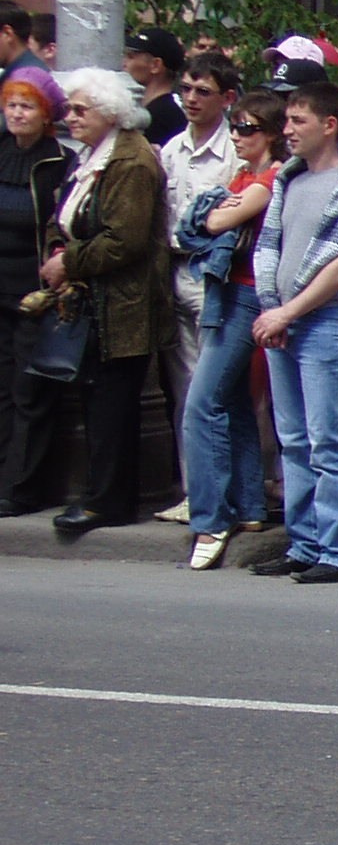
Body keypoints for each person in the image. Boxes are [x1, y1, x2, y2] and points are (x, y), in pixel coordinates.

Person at [249, 80, 338, 582]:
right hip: (282, 322)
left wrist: (286, 313)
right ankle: (303, 542)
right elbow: (268, 246)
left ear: (329, 126)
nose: (286, 130)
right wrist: (272, 307)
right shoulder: (289, 179)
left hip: (326, 324)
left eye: (297, 121)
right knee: (293, 439)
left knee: (328, 439)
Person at [36, 71, 174, 534]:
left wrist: (68, 262)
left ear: (110, 113)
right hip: (94, 297)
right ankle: (101, 494)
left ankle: (107, 501)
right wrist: (59, 248)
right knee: (97, 397)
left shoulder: (131, 160)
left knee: (112, 402)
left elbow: (125, 240)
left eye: (80, 110)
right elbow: (68, 213)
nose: (69, 118)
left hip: (124, 302)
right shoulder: (93, 155)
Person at [178, 91, 283, 570]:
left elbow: (214, 219)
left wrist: (214, 214)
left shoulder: (268, 177)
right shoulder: (242, 176)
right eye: (236, 128)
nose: (238, 136)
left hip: (244, 294)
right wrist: (210, 215)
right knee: (235, 402)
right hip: (226, 291)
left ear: (271, 134)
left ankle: (209, 519)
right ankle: (248, 505)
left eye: (248, 129)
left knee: (202, 405)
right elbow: (194, 225)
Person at [158, 52, 244, 513]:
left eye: (202, 91)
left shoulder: (234, 150)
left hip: (215, 274)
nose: (191, 99)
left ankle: (229, 491)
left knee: (213, 389)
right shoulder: (172, 149)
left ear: (227, 98)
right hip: (176, 270)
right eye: (185, 90)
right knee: (184, 387)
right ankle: (195, 491)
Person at [0, 66, 70, 515]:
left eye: (27, 106)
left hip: (31, 291)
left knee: (29, 389)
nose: (17, 114)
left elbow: (59, 224)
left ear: (46, 115)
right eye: (11, 104)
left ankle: (21, 487)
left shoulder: (58, 161)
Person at [123, 27, 188, 144]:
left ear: (155, 65)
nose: (124, 63)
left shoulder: (164, 117)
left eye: (131, 56)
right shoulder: (154, 111)